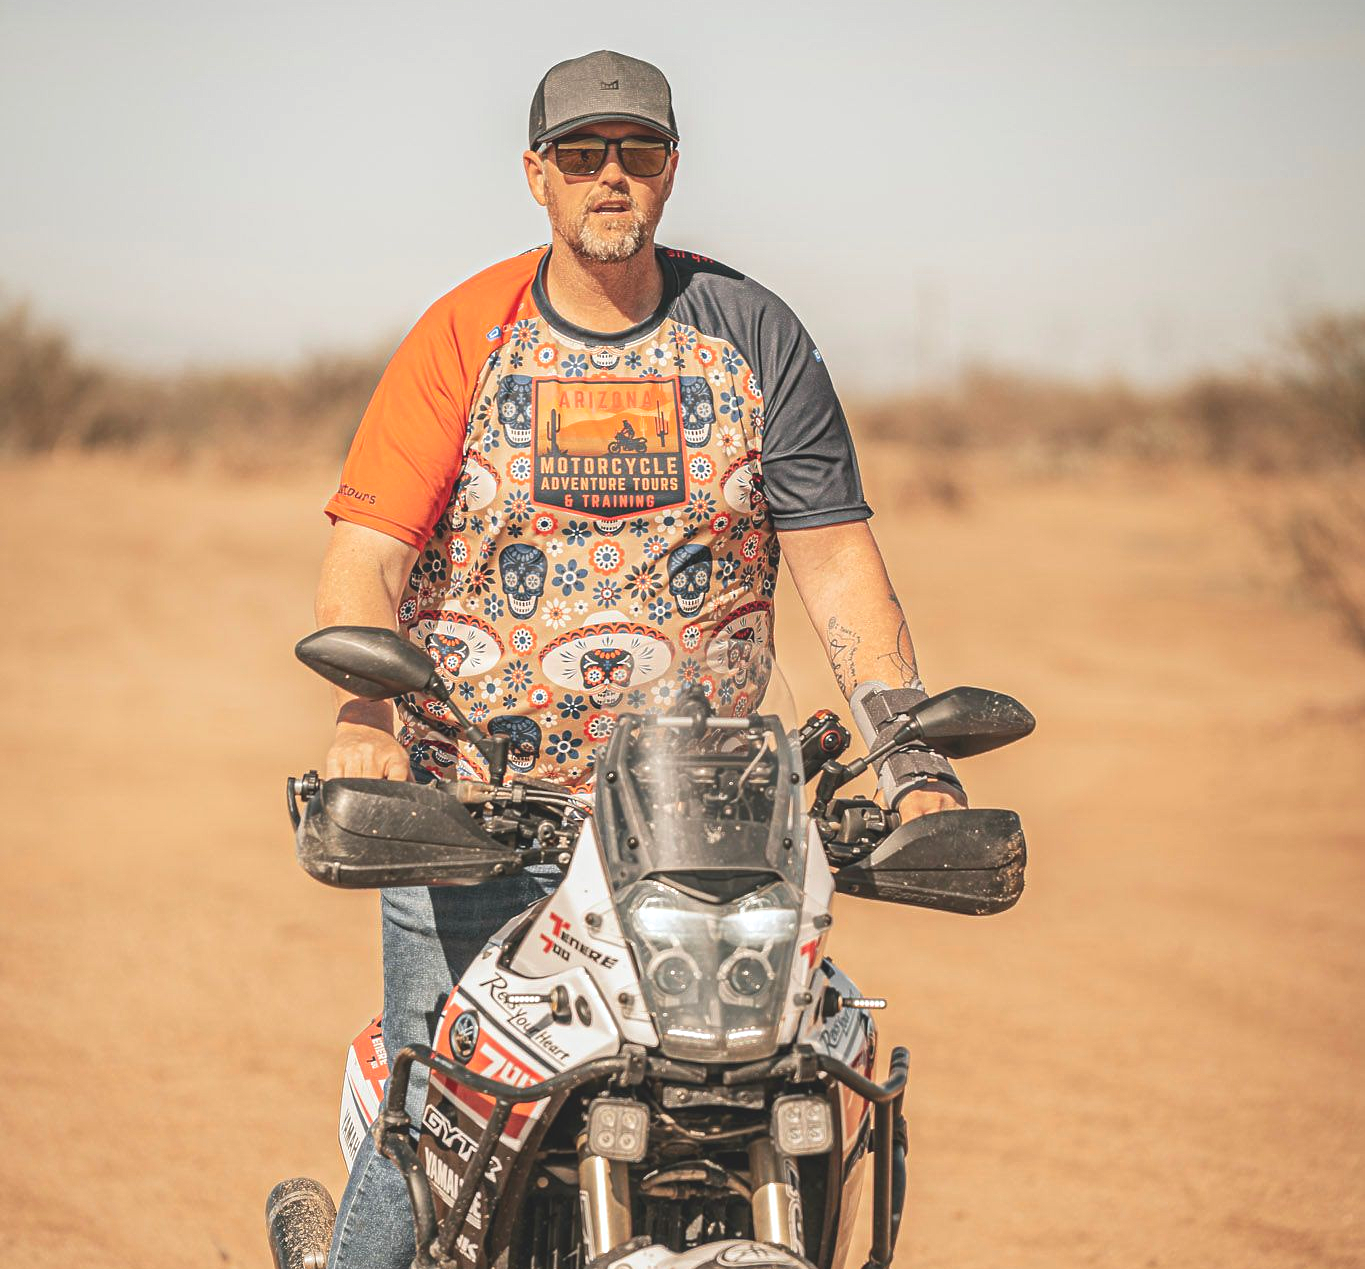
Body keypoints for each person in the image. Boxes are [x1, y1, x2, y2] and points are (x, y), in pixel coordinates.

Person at [315, 49, 966, 1269]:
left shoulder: (754, 333)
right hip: (484, 819)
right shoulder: (467, 333)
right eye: (581, 154)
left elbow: (837, 566)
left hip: (709, 832)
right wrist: (366, 704)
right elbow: (370, 556)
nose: (610, 177)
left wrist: (909, 746)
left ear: (672, 171)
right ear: (536, 175)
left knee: (795, 1109)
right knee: (430, 1140)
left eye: (638, 153)